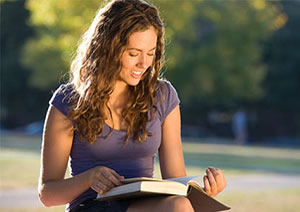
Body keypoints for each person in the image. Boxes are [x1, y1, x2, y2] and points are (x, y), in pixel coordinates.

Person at [38, 0, 227, 211]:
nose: (144, 64)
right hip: (91, 206)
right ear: (107, 48)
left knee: (180, 204)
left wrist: (203, 192)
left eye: (150, 53)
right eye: (133, 54)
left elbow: (176, 183)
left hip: (143, 205)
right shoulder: (69, 101)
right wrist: (89, 179)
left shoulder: (163, 97)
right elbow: (47, 194)